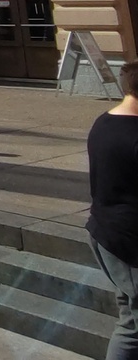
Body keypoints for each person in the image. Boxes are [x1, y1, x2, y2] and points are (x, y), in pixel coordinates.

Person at [87, 60, 138, 360]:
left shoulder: (103, 122)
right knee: (133, 328)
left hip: (106, 233)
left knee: (129, 315)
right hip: (129, 241)